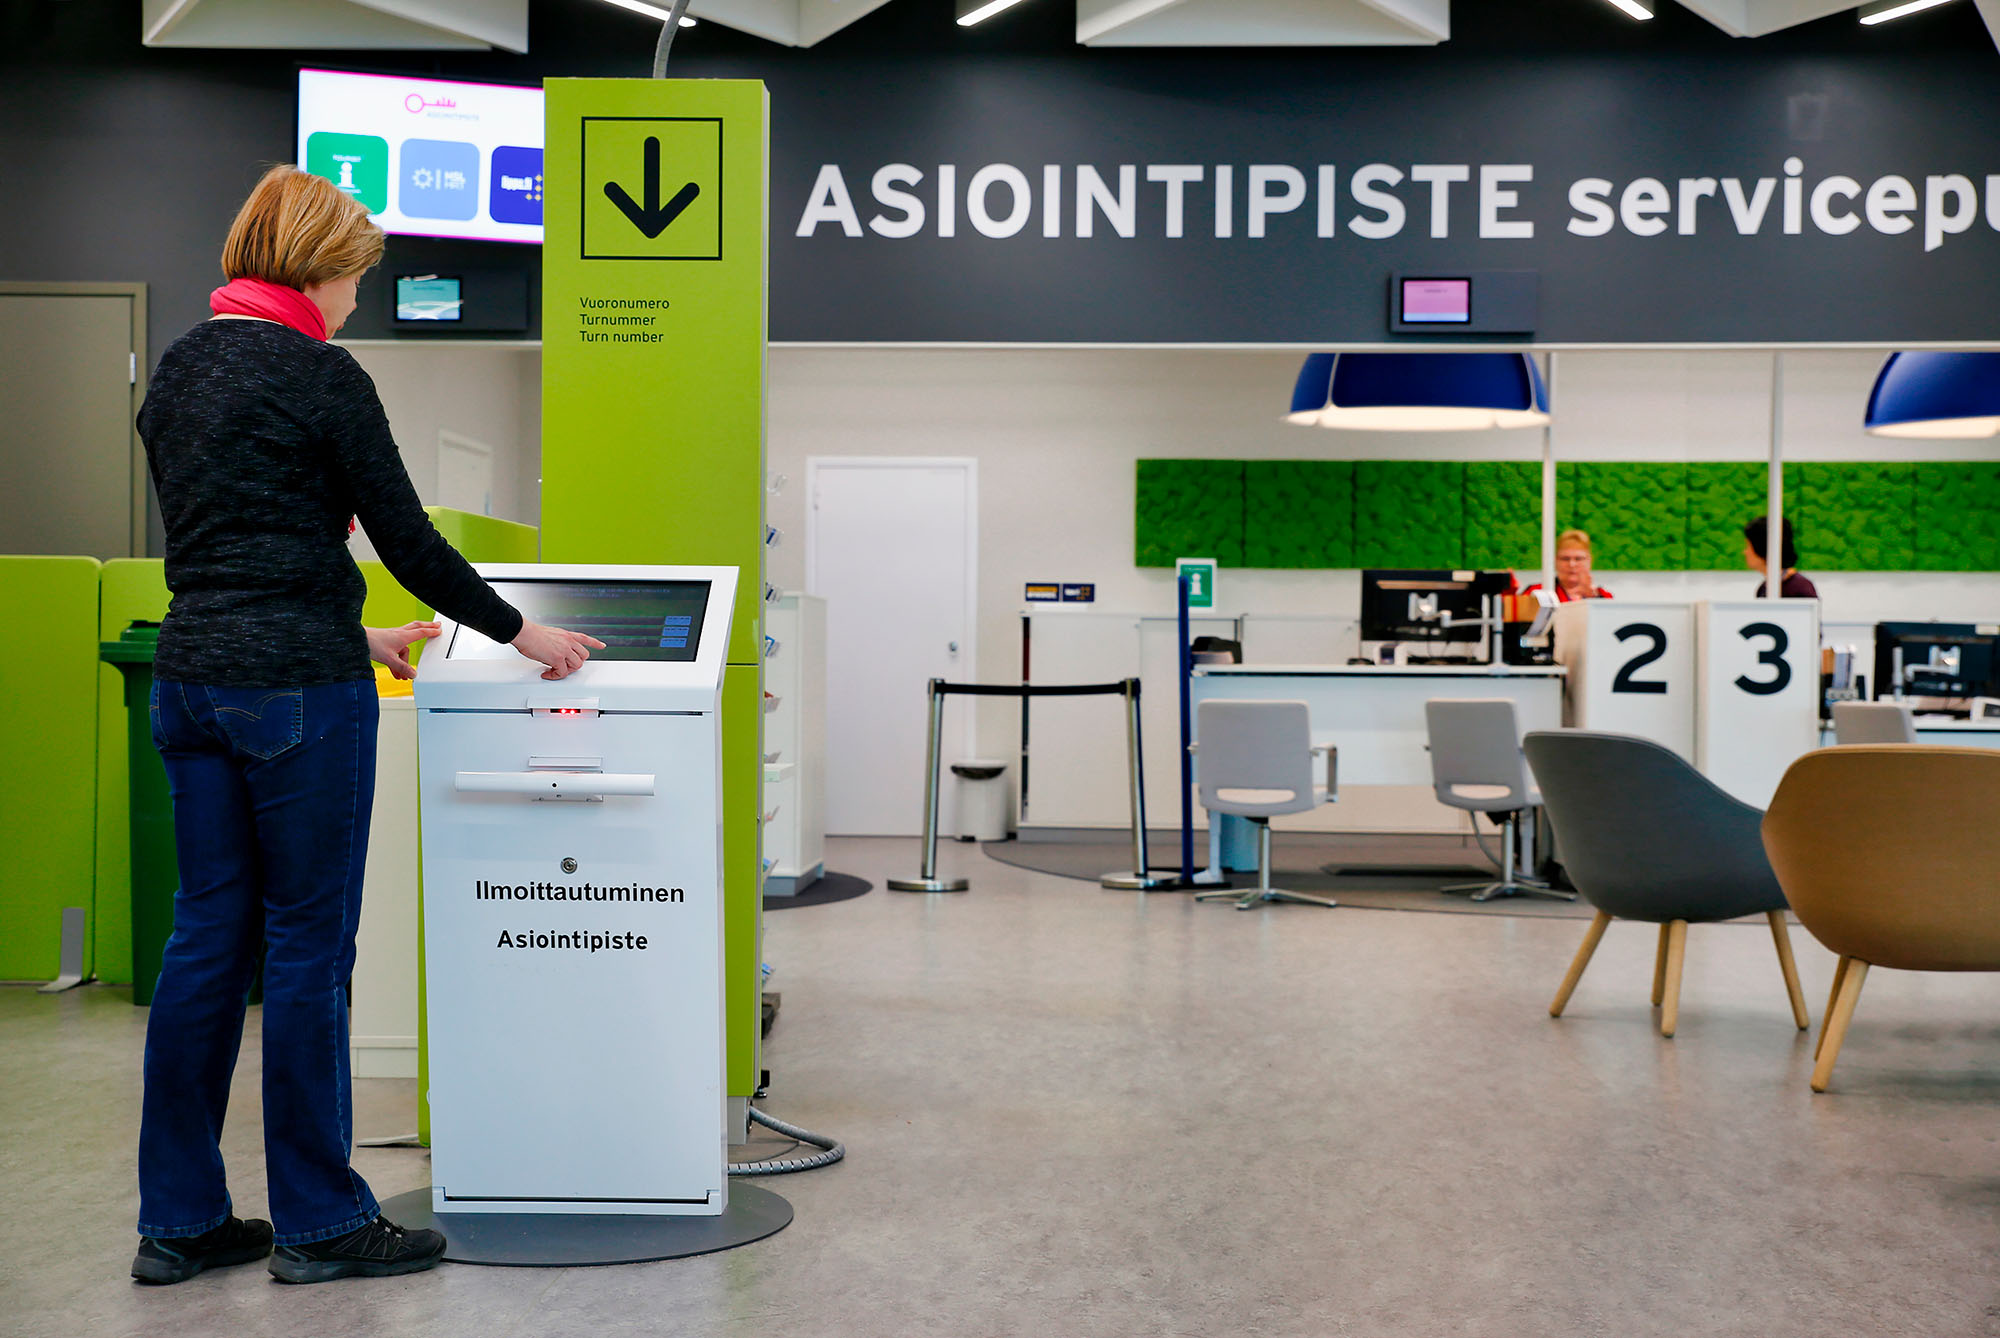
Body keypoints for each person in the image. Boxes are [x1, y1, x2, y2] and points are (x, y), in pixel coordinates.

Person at [129, 165, 604, 1286]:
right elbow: (410, 542)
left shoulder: (180, 370)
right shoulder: (320, 372)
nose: (355, 302)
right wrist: (521, 632)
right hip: (296, 692)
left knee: (205, 946)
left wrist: (359, 635)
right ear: (323, 269)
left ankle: (181, 1220)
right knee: (306, 952)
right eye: (355, 281)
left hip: (192, 677)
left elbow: (241, 543)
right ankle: (322, 1224)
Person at [1519, 528, 1612, 603]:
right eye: (1565, 559)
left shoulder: (1603, 596)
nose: (1572, 564)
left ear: (1589, 561)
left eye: (1578, 559)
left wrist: (1594, 598)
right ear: (1555, 561)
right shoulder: (1537, 592)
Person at [1745, 515, 1818, 598]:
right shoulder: (1763, 589)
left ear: (1761, 547)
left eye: (1748, 546)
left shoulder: (1801, 588)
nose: (1745, 552)